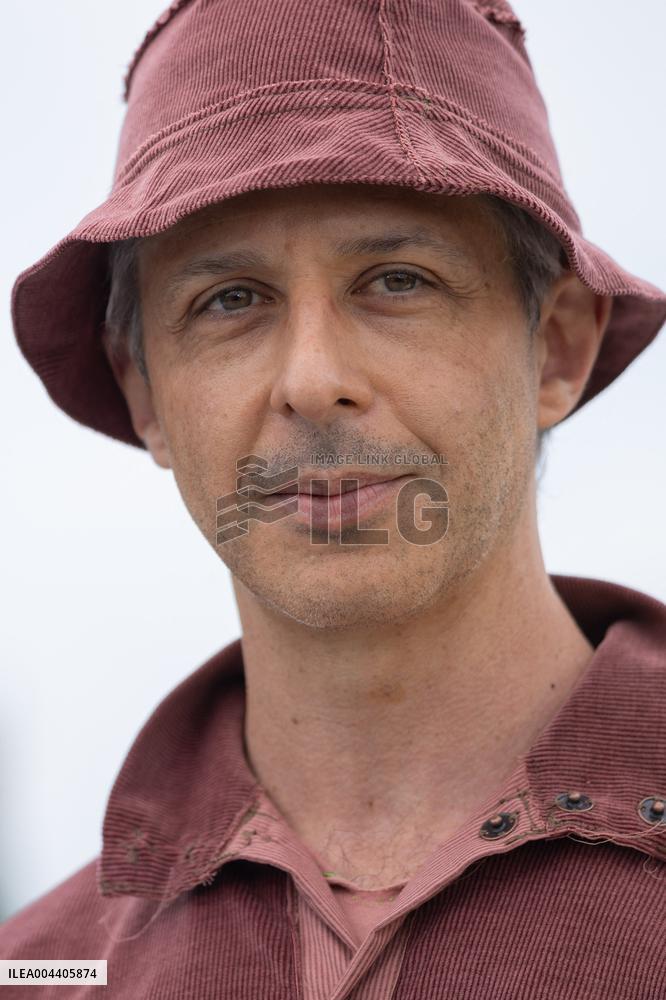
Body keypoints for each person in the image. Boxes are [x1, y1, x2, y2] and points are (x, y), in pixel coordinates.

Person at [3, 0, 665, 996]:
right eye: (229, 300)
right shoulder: (43, 972)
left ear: (559, 345)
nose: (312, 380)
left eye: (396, 281)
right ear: (144, 391)